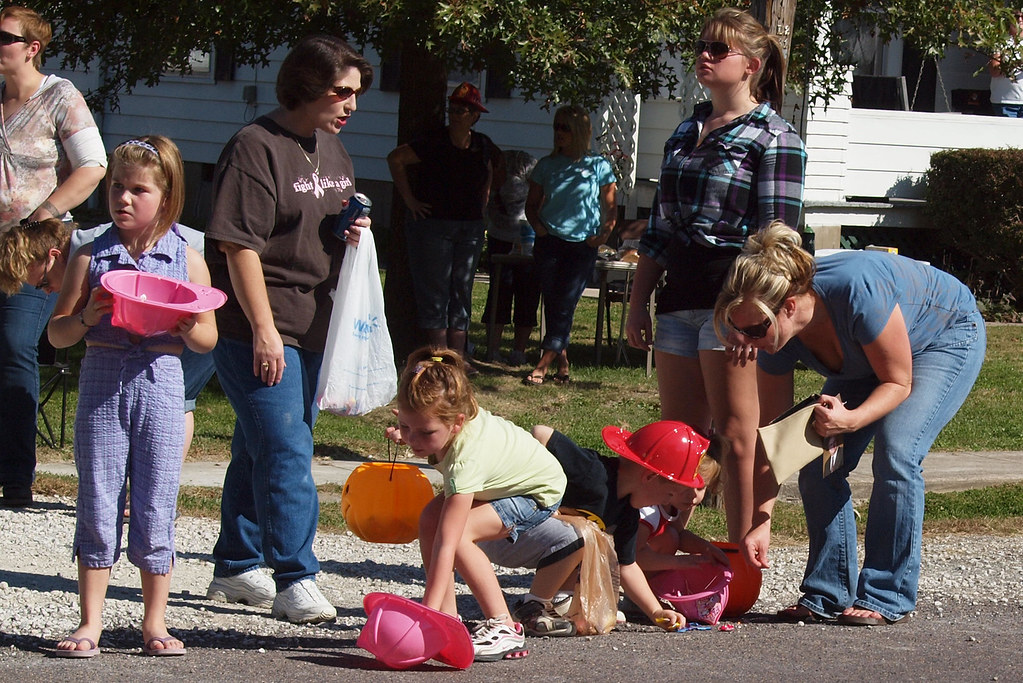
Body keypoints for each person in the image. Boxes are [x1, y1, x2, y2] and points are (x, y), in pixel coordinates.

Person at [715, 222, 986, 626]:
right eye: (738, 330)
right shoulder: (771, 339)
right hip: (865, 356)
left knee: (897, 451)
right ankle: (828, 591)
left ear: (789, 306)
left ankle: (887, 593)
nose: (746, 341)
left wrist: (851, 419)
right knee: (814, 457)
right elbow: (779, 439)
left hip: (941, 336)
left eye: (753, 329)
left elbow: (898, 381)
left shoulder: (856, 292)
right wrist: (761, 521)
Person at [202, 35, 372, 625]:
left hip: (314, 322)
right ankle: (295, 578)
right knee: (287, 450)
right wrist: (264, 331)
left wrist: (349, 229)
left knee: (259, 446)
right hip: (257, 324)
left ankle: (234, 567)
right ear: (307, 84)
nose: (351, 104)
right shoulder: (255, 146)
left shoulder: (334, 149)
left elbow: (314, 228)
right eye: (341, 91)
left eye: (356, 94)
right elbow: (237, 246)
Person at [625, 7, 806, 542]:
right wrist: (638, 302)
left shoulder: (776, 137)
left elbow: (778, 241)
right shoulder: (686, 129)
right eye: (701, 46)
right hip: (678, 292)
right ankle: (667, 555)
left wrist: (751, 319)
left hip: (734, 299)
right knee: (679, 440)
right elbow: (658, 227)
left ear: (750, 64)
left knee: (735, 433)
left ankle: (741, 552)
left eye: (717, 50)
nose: (703, 56)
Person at [46, 135, 218, 657]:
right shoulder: (90, 252)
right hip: (101, 379)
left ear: (164, 199)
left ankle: (154, 623)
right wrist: (84, 318)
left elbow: (208, 337)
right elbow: (56, 333)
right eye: (117, 187)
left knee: (156, 499)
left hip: (161, 380)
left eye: (137, 190)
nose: (122, 198)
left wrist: (189, 325)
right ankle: (90, 622)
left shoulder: (187, 258)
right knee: (99, 496)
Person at [385, 346, 567, 662]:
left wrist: (424, 611)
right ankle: (448, 619)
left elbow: (448, 544)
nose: (413, 440)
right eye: (405, 427)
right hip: (503, 481)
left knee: (458, 536)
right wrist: (412, 432)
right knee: (430, 518)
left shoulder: (465, 459)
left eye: (424, 432)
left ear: (456, 423)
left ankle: (504, 628)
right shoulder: (450, 418)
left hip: (538, 492)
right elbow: (427, 429)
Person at [478, 420, 727, 636]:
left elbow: (627, 567)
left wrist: (655, 611)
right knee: (583, 534)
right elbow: (541, 432)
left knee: (591, 539)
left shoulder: (628, 511)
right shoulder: (593, 473)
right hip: (500, 531)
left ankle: (558, 602)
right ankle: (532, 608)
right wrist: (534, 492)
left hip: (535, 544)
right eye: (670, 493)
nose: (667, 502)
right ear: (650, 478)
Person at [0, 216, 217, 464]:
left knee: (179, 398)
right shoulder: (89, 248)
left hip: (204, 300)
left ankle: (160, 482)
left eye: (44, 283)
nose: (49, 292)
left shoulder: (93, 253)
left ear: (54, 255)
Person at [0, 5, 106, 508]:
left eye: (4, 37)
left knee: (14, 344)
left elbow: (93, 166)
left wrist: (43, 213)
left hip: (30, 253)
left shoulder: (60, 96)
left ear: (31, 47)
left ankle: (16, 475)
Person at [387, 82, 503, 364]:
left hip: (470, 227)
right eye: (453, 108)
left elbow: (495, 170)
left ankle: (458, 357)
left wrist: (485, 199)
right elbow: (395, 159)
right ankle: (439, 357)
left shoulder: (483, 145)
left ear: (475, 115)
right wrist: (410, 200)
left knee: (462, 289)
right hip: (433, 226)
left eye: (463, 110)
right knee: (435, 292)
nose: (456, 114)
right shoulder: (433, 141)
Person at [523, 105, 617, 385]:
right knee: (553, 303)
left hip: (582, 246)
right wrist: (539, 230)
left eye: (565, 127)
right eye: (556, 127)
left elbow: (610, 207)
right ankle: (562, 363)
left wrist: (603, 235)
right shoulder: (546, 165)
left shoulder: (598, 165)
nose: (559, 133)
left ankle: (543, 362)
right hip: (550, 244)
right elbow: (531, 206)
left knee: (566, 303)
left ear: (579, 132)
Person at [481, 149, 540, 366]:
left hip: (528, 238)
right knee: (499, 293)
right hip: (500, 237)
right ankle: (493, 349)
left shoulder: (529, 168)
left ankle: (519, 351)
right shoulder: (495, 170)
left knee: (528, 293)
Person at [988, 9, 1023, 117]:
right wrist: (1016, 63)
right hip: (1006, 102)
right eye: (1017, 17)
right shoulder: (1001, 42)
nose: (1020, 20)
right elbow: (994, 71)